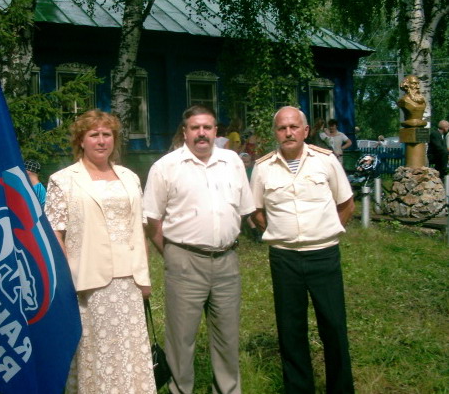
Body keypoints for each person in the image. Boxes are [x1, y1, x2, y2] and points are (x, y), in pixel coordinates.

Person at [143, 105, 255, 394]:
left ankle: (228, 390)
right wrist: (172, 253)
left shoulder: (232, 161)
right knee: (181, 340)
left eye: (207, 127)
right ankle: (181, 390)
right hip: (184, 261)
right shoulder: (166, 167)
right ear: (185, 132)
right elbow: (152, 220)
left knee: (227, 337)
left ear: (216, 131)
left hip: (227, 261)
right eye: (195, 128)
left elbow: (243, 210)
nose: (202, 133)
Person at [45, 109, 156, 394]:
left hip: (129, 280)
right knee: (97, 351)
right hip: (88, 282)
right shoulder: (63, 180)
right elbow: (54, 232)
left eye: (107, 134)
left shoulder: (130, 178)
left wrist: (144, 276)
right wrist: (66, 276)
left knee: (129, 349)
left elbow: (138, 227)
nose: (101, 140)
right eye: (94, 134)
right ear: (81, 140)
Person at [251, 106, 355, 394]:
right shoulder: (263, 168)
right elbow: (256, 212)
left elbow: (346, 204)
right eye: (282, 128)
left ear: (306, 131)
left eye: (294, 127)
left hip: (323, 254)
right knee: (290, 329)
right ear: (275, 133)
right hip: (284, 258)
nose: (288, 132)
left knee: (333, 327)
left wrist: (324, 230)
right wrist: (282, 233)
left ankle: (341, 389)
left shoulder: (326, 161)